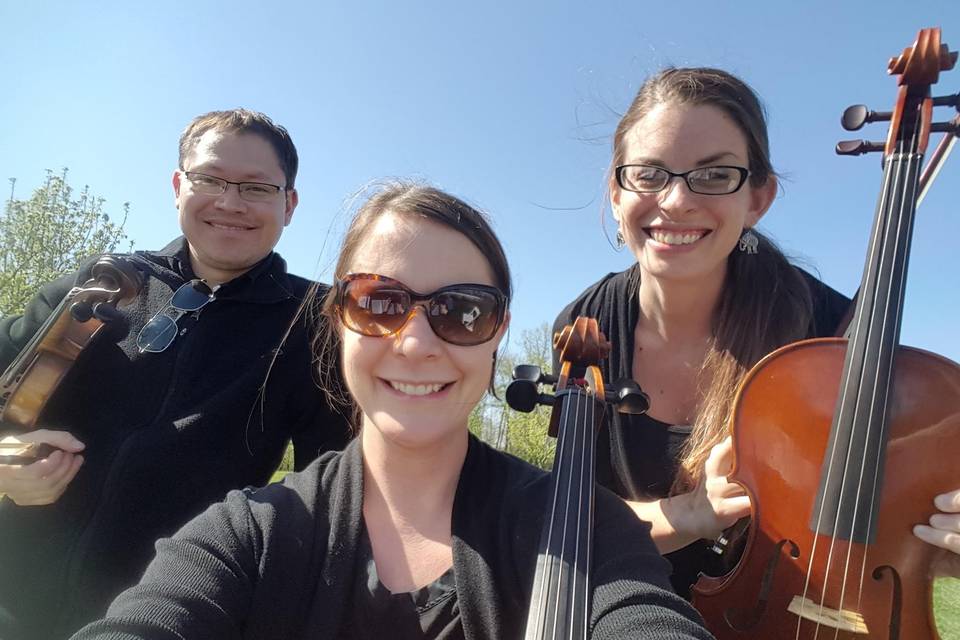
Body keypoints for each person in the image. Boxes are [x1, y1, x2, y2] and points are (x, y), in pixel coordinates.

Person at [72, 183, 714, 640]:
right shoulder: (244, 536)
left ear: (498, 333)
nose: (414, 341)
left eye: (463, 311)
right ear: (338, 322)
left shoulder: (590, 529)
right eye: (379, 304)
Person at [555, 67, 960, 598]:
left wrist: (939, 544)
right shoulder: (586, 326)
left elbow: (887, 534)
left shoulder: (829, 338)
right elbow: (574, 519)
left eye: (715, 175)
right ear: (615, 192)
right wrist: (689, 514)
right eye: (649, 173)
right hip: (626, 607)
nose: (676, 201)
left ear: (758, 200)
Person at [0, 109, 350, 639]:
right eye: (210, 179)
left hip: (174, 618)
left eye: (257, 188)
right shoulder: (99, 285)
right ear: (177, 186)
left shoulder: (317, 325)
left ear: (290, 204)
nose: (230, 202)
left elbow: (340, 486)